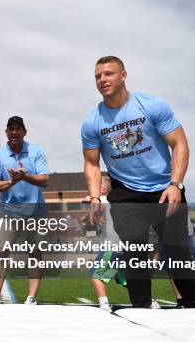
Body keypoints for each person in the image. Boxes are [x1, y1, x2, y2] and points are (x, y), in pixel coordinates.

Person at [82, 55, 195, 308]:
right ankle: (141, 308)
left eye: (109, 74)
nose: (103, 80)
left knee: (178, 253)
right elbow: (91, 163)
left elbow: (179, 144)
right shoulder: (92, 121)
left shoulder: (152, 106)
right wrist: (93, 197)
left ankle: (191, 304)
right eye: (98, 76)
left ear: (123, 75)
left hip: (164, 189)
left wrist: (176, 184)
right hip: (126, 194)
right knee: (134, 253)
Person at [0, 116, 49, 306]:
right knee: (2, 252)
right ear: (6, 132)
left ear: (24, 132)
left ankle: (32, 298)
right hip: (9, 211)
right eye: (11, 128)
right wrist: (12, 182)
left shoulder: (36, 150)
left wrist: (25, 177)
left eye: (18, 128)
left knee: (35, 253)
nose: (14, 132)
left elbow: (45, 180)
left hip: (35, 210)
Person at [88, 176, 127, 312]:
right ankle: (147, 299)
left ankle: (104, 304)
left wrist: (95, 212)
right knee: (123, 278)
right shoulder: (115, 203)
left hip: (111, 247)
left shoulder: (103, 200)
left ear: (103, 190)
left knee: (96, 275)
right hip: (122, 247)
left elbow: (96, 204)